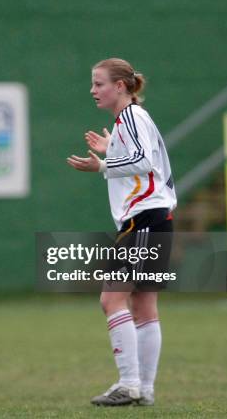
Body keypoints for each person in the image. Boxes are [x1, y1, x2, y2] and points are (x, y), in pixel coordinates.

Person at [66, 58, 176, 407]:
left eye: (99, 83)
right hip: (156, 218)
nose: (93, 90)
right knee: (144, 306)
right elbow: (141, 160)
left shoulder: (130, 116)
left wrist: (102, 164)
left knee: (111, 299)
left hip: (142, 219)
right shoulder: (131, 119)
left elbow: (145, 161)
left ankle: (129, 384)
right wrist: (112, 148)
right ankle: (145, 390)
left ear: (121, 86)